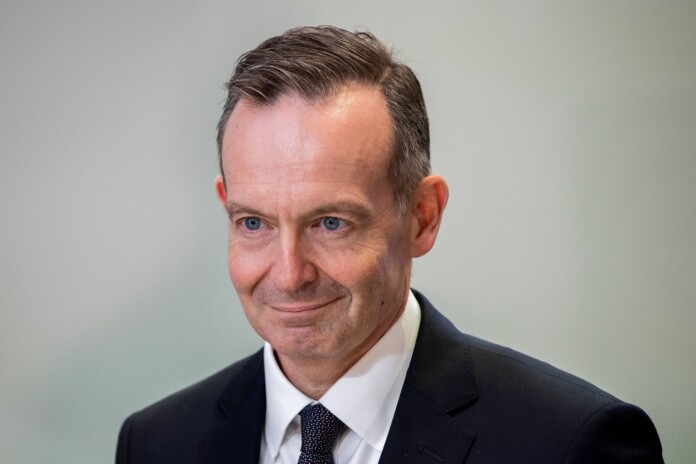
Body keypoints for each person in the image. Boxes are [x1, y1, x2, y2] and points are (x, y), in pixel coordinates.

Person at [116, 26, 663, 463]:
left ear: (423, 217)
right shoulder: (155, 444)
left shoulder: (570, 444)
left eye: (330, 223)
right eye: (254, 223)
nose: (288, 274)